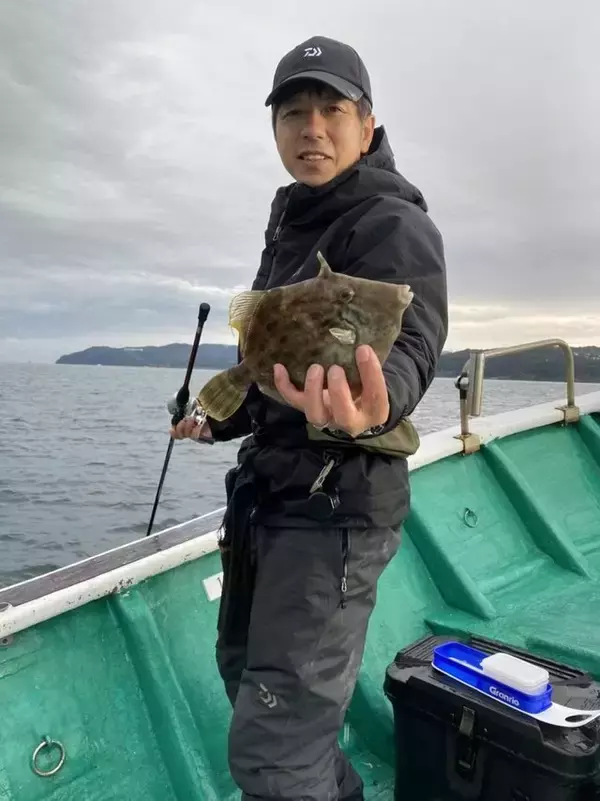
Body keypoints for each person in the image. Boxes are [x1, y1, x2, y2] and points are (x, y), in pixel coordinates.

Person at [171, 34, 448, 801]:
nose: (313, 128)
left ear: (366, 124)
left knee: (273, 750)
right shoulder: (292, 219)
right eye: (295, 112)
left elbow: (412, 336)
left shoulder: (394, 224)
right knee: (246, 678)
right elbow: (275, 369)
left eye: (332, 109)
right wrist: (218, 419)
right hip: (270, 496)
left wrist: (379, 398)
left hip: (336, 508)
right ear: (276, 129)